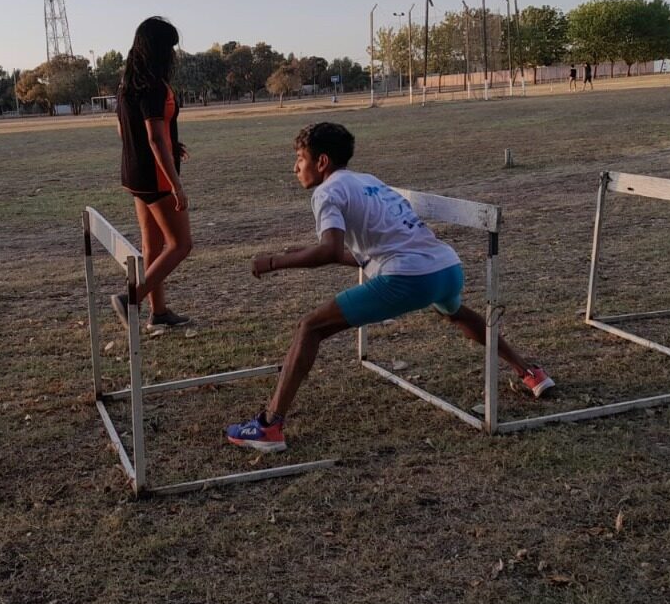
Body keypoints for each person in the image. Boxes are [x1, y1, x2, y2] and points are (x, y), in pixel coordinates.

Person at [225, 123, 555, 452]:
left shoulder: (326, 192)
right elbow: (364, 254)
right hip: (446, 268)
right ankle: (530, 372)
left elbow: (327, 250)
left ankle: (269, 426)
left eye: (299, 158)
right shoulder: (368, 181)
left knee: (310, 327)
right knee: (456, 313)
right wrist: (293, 255)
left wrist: (272, 263)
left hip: (408, 278)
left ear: (321, 161)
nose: (295, 167)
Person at [110, 16, 192, 330]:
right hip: (156, 179)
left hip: (134, 176)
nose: (174, 53)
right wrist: (177, 186)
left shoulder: (126, 84)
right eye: (170, 47)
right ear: (159, 49)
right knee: (181, 245)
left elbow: (124, 130)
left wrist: (173, 144)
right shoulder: (154, 86)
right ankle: (130, 298)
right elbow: (155, 138)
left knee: (153, 247)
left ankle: (159, 315)